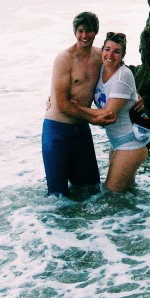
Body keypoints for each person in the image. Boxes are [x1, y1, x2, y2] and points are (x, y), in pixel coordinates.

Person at [41, 11, 116, 196]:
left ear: (96, 32)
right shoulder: (64, 58)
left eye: (89, 31)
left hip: (81, 131)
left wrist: (137, 96)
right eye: (80, 31)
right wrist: (94, 118)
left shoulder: (100, 56)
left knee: (91, 191)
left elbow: (121, 75)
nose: (84, 36)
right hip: (57, 131)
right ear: (75, 32)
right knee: (58, 197)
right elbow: (62, 106)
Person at [93, 32, 150, 192]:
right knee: (128, 193)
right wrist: (55, 97)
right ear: (101, 50)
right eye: (107, 49)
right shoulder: (99, 70)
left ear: (123, 55)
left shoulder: (123, 75)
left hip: (131, 143)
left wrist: (73, 109)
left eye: (116, 51)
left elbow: (109, 114)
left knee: (111, 194)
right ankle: (147, 215)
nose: (110, 55)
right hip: (117, 142)